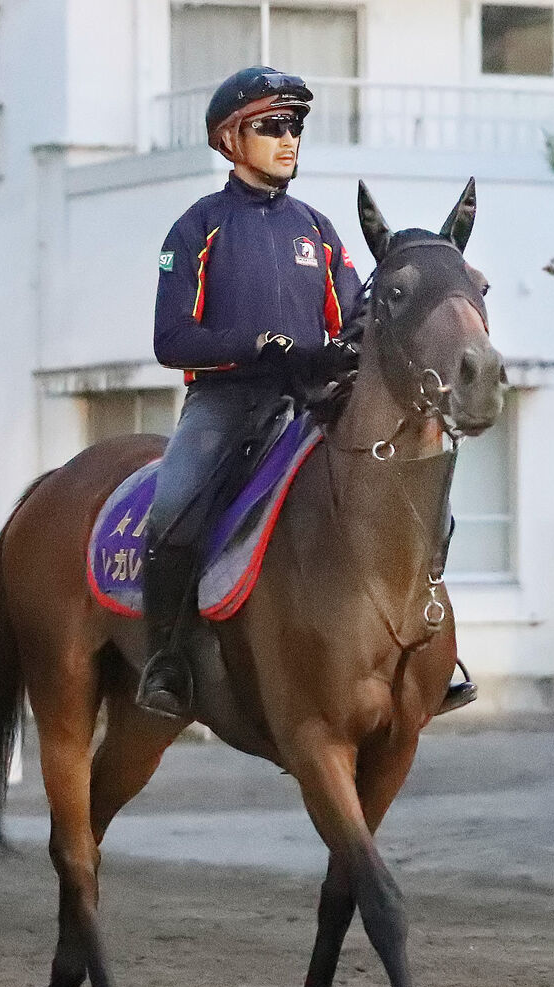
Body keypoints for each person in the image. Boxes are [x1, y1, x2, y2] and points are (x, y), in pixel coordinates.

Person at [136, 66, 363, 718]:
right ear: (233, 138)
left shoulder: (318, 229)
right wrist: (253, 344)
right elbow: (170, 339)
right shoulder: (197, 226)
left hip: (310, 403)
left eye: (295, 126)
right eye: (273, 126)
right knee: (173, 508)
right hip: (224, 403)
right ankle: (166, 663)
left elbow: (349, 324)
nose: (289, 139)